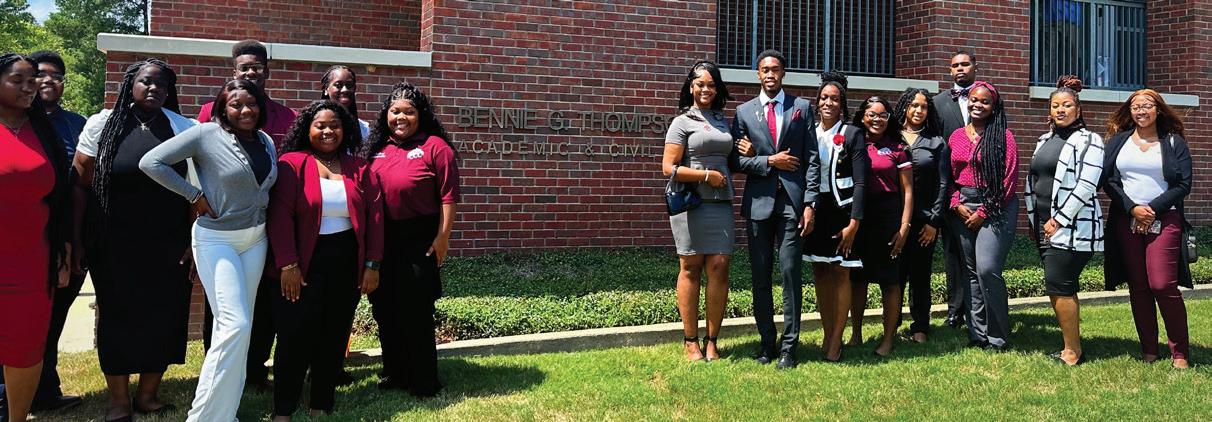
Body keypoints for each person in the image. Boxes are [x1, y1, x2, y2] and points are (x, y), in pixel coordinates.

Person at [140, 79, 278, 421]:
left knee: (238, 332)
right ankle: (202, 416)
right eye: (236, 104)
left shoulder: (266, 141)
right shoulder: (205, 134)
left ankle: (225, 413)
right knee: (234, 324)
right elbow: (151, 162)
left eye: (251, 103)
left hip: (255, 240)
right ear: (223, 109)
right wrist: (194, 195)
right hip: (217, 239)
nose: (245, 110)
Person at [73, 59, 196, 421]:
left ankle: (147, 395)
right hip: (113, 241)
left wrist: (193, 241)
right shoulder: (103, 124)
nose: (154, 88)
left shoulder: (183, 128)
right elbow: (81, 177)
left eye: (162, 84)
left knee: (164, 314)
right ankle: (118, 400)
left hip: (168, 242)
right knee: (117, 316)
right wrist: (78, 238)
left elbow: (196, 190)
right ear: (130, 84)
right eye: (146, 81)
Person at [268, 101, 382, 419]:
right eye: (320, 125)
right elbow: (279, 216)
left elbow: (375, 219)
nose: (328, 131)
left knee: (333, 335)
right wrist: (288, 264)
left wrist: (372, 265)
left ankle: (321, 404)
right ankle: (284, 409)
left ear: (345, 130)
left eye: (335, 125)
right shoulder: (291, 164)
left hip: (345, 262)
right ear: (308, 129)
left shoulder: (359, 167)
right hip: (303, 262)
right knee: (294, 336)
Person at [196, 39, 297, 391]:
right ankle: (218, 371)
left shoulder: (287, 117)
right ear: (234, 71)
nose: (251, 72)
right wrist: (194, 199)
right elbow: (194, 163)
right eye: (244, 67)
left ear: (267, 70)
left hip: (267, 223)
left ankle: (253, 371)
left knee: (262, 298)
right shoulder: (210, 111)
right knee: (222, 303)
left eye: (257, 67)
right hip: (223, 226)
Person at [0, 50, 87, 416]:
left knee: (27, 344)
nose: (29, 86)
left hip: (32, 260)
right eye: (17, 80)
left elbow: (62, 196)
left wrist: (63, 251)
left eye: (31, 80)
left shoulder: (45, 130)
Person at [362, 83, 458, 397]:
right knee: (385, 308)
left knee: (416, 310)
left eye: (409, 112)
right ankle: (396, 372)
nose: (401, 117)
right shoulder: (377, 147)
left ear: (421, 115)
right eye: (395, 111)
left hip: (419, 239)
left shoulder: (435, 147)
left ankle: (424, 380)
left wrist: (442, 237)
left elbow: (448, 197)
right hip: (382, 239)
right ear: (386, 115)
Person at [728, 50, 819, 370]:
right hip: (758, 204)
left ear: (783, 73)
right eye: (765, 70)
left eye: (775, 69)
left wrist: (810, 203)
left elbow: (812, 160)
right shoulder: (743, 112)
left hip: (792, 204)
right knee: (760, 275)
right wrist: (769, 160)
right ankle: (767, 343)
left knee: (790, 274)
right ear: (758, 74)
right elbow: (735, 162)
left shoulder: (801, 108)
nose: (770, 74)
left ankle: (789, 348)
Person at [662, 61, 752, 361]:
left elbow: (732, 157)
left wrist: (749, 151)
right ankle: (690, 341)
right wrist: (705, 176)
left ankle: (712, 340)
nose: (706, 89)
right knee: (690, 267)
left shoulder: (722, 120)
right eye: (700, 84)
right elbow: (668, 168)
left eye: (711, 85)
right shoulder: (681, 122)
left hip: (720, 202)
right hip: (692, 203)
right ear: (691, 87)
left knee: (720, 266)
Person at [1101, 89, 1193, 369]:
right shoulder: (1119, 142)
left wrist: (1151, 210)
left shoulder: (1174, 142)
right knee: (1139, 286)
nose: (1141, 111)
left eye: (1147, 105)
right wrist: (1133, 209)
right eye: (1135, 107)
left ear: (1158, 109)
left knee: (1162, 284)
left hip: (1165, 219)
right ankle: (1149, 350)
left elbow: (1183, 184)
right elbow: (1109, 180)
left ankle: (1180, 352)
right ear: (1129, 112)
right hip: (1127, 220)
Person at [1025, 76, 1104, 366]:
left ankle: (1073, 352)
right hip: (1044, 225)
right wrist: (1035, 220)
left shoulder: (1090, 141)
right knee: (1056, 285)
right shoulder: (1044, 140)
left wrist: (1058, 219)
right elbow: (1035, 181)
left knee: (1060, 284)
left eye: (1067, 105)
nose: (1061, 110)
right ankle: (1069, 344)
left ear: (1078, 109)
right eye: (1055, 105)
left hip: (1073, 226)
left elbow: (1087, 185)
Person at [946, 80, 1019, 351]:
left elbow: (1008, 181)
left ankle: (998, 336)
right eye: (974, 100)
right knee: (970, 272)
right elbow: (949, 176)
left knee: (987, 269)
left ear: (993, 106)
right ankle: (978, 334)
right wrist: (956, 203)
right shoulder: (956, 136)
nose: (978, 105)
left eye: (985, 101)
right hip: (963, 205)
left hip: (997, 206)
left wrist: (984, 211)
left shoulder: (1004, 136)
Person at [846, 96, 912, 357]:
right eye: (871, 114)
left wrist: (904, 227)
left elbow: (908, 191)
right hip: (860, 217)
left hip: (888, 219)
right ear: (862, 116)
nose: (877, 119)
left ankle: (888, 339)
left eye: (882, 115)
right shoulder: (854, 142)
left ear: (889, 118)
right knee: (857, 279)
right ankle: (856, 334)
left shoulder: (897, 147)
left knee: (890, 281)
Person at [893, 88, 950, 343]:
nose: (918, 110)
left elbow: (942, 184)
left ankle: (920, 327)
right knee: (894, 275)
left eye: (924, 106)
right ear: (905, 106)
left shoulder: (936, 142)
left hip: (923, 222)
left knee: (920, 275)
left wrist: (934, 222)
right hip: (893, 221)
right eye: (914, 105)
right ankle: (891, 324)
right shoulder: (891, 138)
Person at [931, 51, 978, 328]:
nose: (960, 69)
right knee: (952, 250)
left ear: (975, 67)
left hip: (981, 188)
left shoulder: (988, 98)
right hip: (950, 186)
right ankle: (955, 310)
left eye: (965, 64)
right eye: (955, 65)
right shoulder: (938, 103)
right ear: (950, 71)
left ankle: (979, 309)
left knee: (979, 254)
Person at [320, 65, 371, 139]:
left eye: (349, 85)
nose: (345, 90)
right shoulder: (313, 126)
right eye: (338, 85)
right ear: (326, 89)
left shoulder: (364, 129)